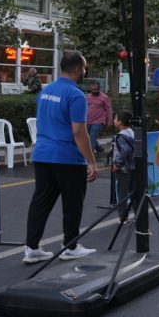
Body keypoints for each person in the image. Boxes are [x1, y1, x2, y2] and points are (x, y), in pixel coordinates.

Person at [22, 51, 99, 263]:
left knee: (41, 202)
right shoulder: (76, 95)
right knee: (73, 203)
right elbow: (79, 132)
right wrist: (91, 161)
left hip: (43, 154)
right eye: (84, 68)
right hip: (67, 157)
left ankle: (31, 248)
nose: (85, 71)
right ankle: (71, 246)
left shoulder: (46, 92)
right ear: (77, 70)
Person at [110, 110, 135, 228]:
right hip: (133, 167)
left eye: (115, 118)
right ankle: (138, 214)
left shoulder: (121, 136)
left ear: (120, 122)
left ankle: (123, 217)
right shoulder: (131, 132)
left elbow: (125, 150)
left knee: (122, 193)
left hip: (124, 169)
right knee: (133, 192)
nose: (114, 120)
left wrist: (117, 164)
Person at [86, 80, 113, 155]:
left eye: (95, 89)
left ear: (99, 89)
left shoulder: (104, 97)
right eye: (92, 89)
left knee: (92, 136)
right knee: (87, 136)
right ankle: (98, 147)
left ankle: (89, 154)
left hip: (98, 121)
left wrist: (110, 120)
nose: (93, 91)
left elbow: (108, 109)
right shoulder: (87, 97)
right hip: (88, 120)